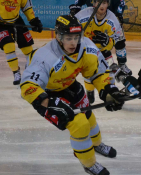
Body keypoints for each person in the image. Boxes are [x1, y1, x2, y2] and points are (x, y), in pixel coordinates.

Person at [20, 15, 125, 175]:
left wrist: (108, 91)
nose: (73, 42)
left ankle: (96, 144)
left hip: (69, 85)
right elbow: (28, 86)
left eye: (76, 37)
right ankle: (89, 164)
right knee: (80, 124)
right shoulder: (45, 57)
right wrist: (51, 104)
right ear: (59, 36)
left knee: (89, 117)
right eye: (68, 37)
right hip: (47, 95)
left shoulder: (86, 46)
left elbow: (98, 73)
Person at [75, 0, 131, 104]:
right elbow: (71, 30)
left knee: (110, 73)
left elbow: (116, 42)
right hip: (86, 52)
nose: (101, 5)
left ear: (108, 4)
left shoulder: (113, 19)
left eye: (104, 2)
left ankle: (112, 93)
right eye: (98, 2)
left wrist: (107, 41)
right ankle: (89, 91)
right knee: (89, 72)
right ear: (94, 3)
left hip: (104, 52)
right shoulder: (83, 15)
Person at [0, 0, 43, 85]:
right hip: (1, 23)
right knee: (8, 46)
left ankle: (29, 70)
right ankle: (16, 72)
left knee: (28, 49)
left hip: (17, 20)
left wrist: (33, 21)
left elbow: (27, 7)